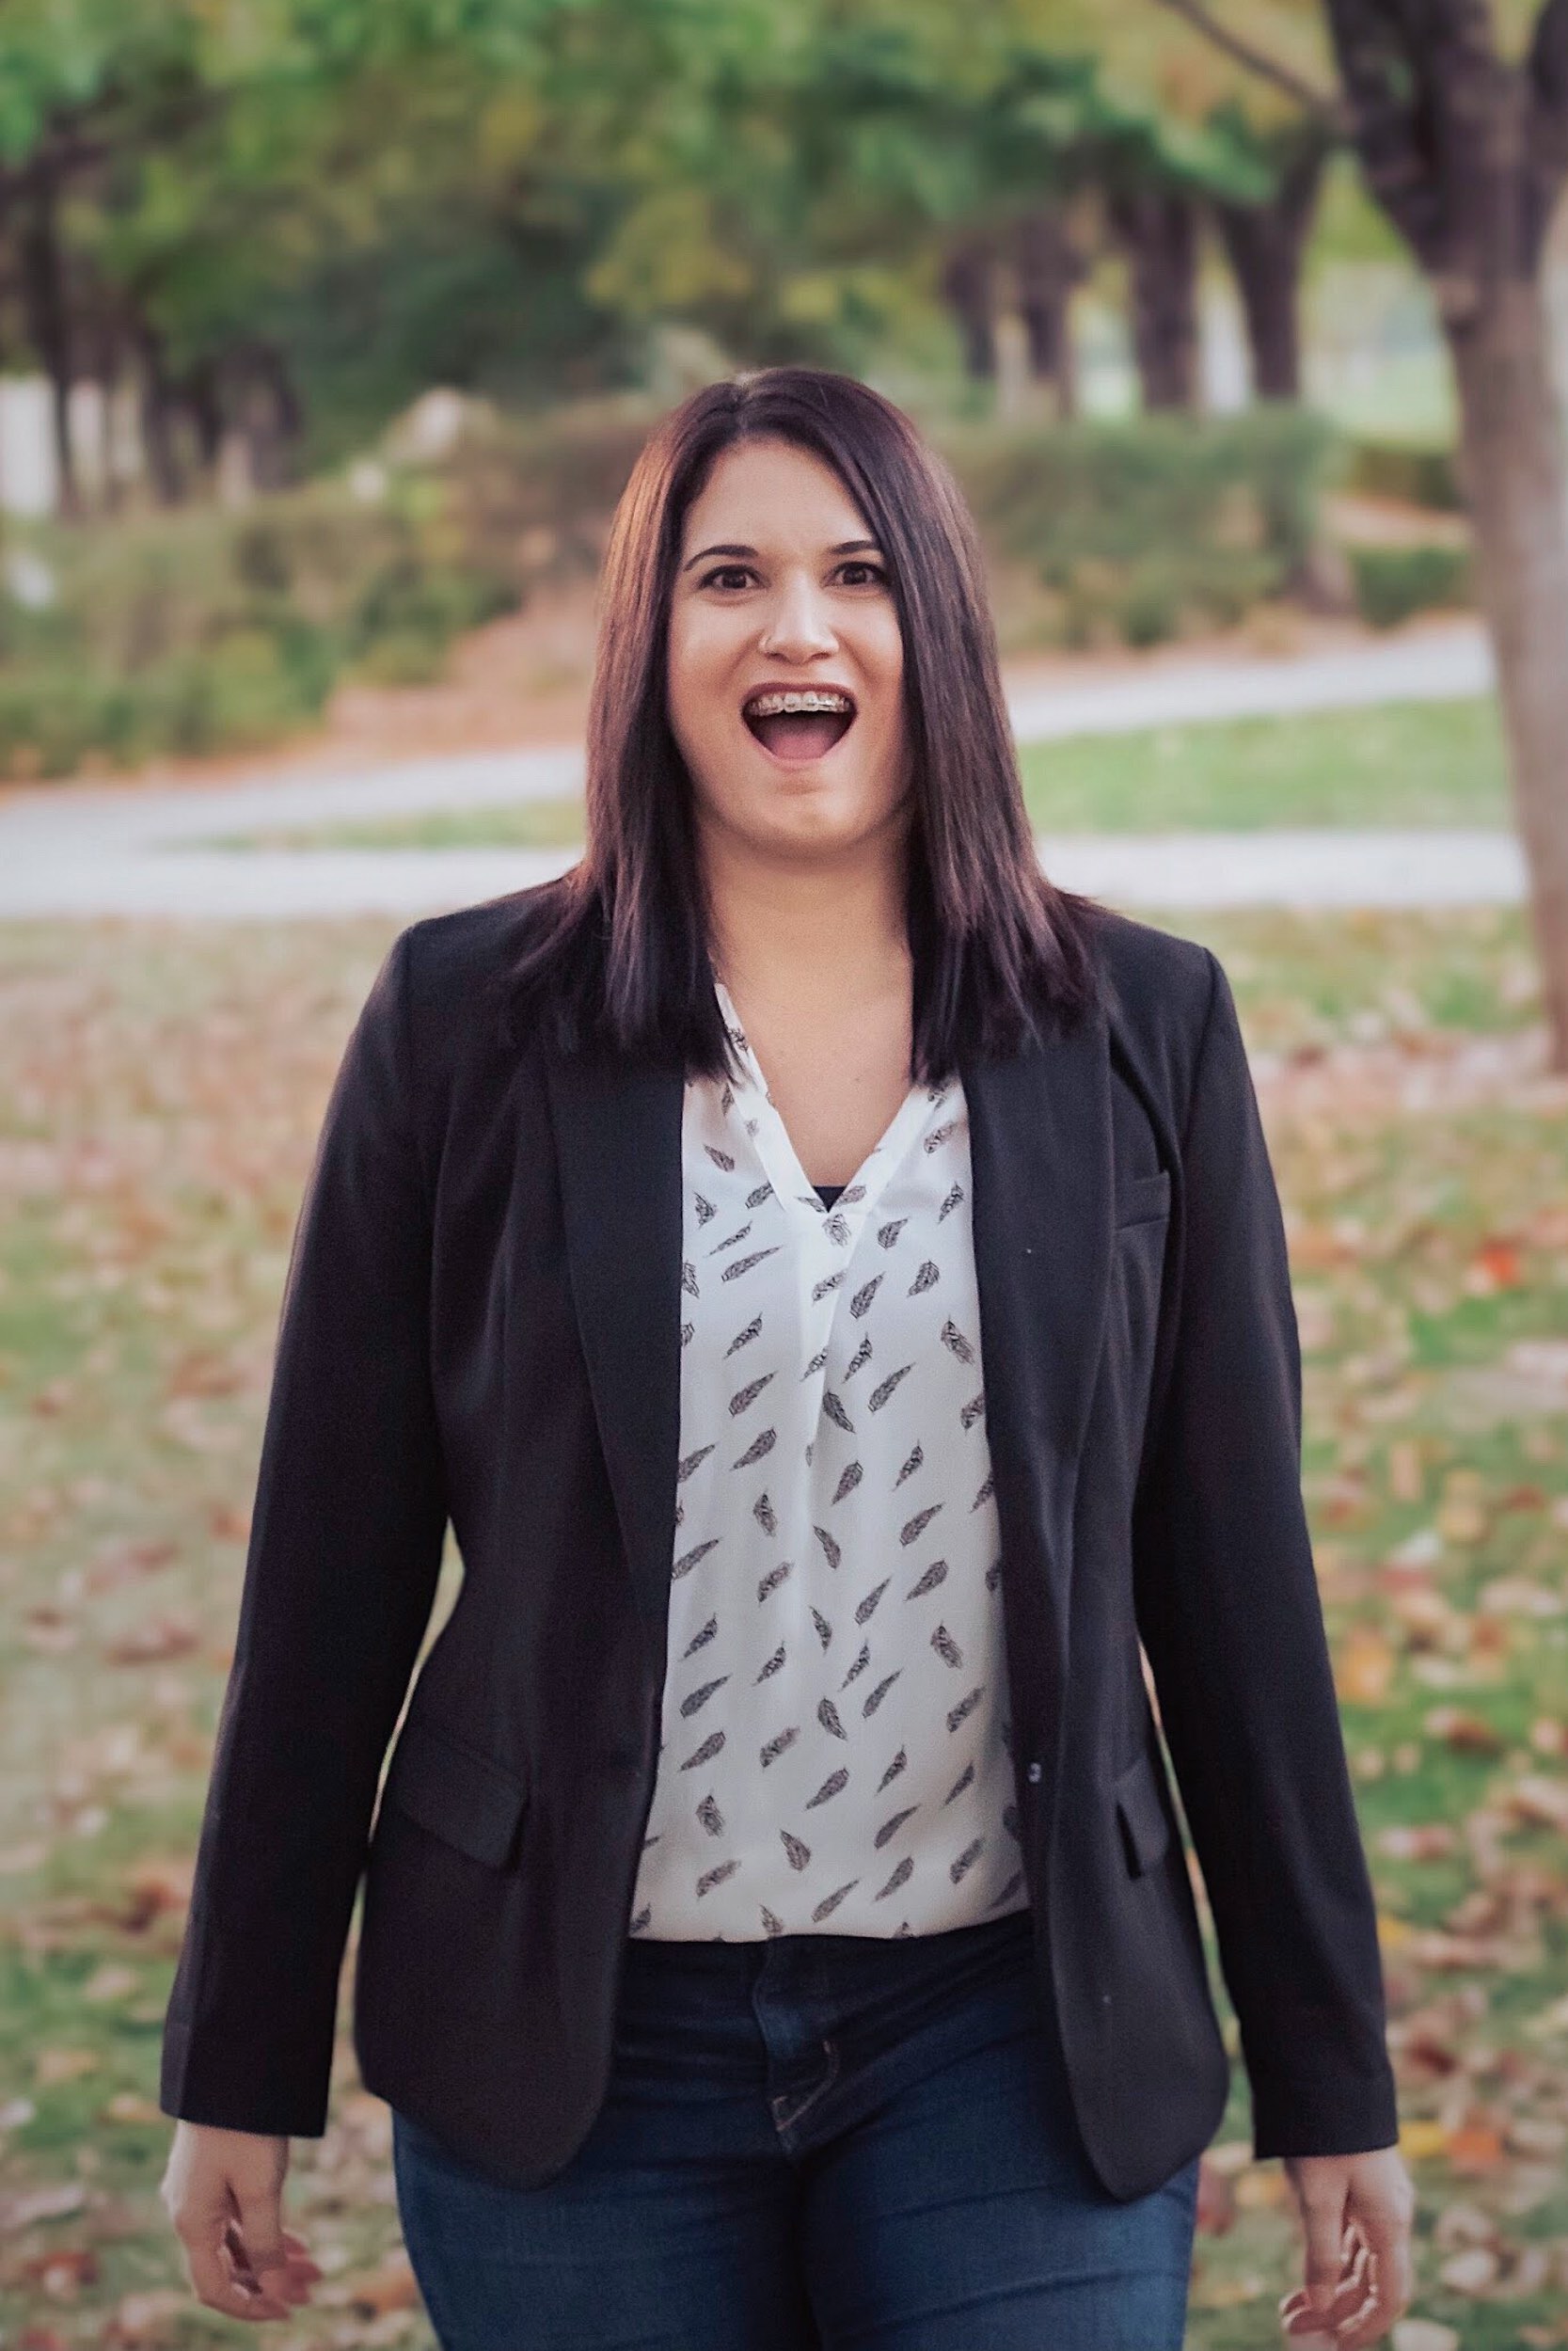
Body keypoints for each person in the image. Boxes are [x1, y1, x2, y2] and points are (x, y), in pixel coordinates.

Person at [158, 365, 1415, 2348]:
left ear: (940, 627)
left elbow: (1236, 1572)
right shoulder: (465, 1019)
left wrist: (1332, 2070)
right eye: (728, 576)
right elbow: (329, 1563)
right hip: (575, 2047)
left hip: (1009, 2026)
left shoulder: (1145, 1027)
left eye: (856, 574)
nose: (798, 628)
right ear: (650, 643)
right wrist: (238, 2052)